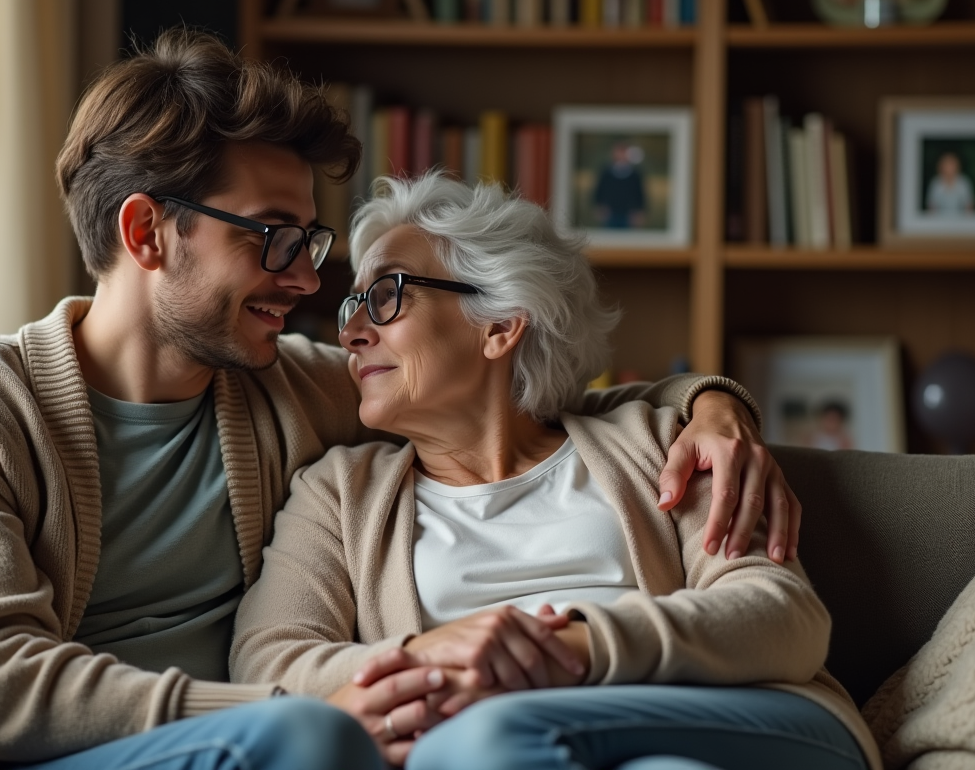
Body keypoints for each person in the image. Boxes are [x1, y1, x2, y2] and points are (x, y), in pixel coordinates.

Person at [0, 29, 800, 770]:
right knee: (322, 747)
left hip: (280, 741)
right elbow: (1, 689)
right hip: (43, 755)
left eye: (311, 244)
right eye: (272, 238)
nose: (308, 286)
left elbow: (521, 393)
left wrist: (712, 406)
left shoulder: (288, 386)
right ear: (147, 233)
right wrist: (297, 708)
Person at [231, 171, 879, 770]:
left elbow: (783, 616)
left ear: (501, 325)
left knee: (486, 738)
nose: (352, 333)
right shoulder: (339, 494)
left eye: (386, 295)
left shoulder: (659, 445)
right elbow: (270, 664)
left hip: (744, 722)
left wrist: (575, 649)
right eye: (352, 308)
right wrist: (440, 658)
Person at [593, 141, 646, 228]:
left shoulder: (635, 174)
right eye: (619, 151)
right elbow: (599, 190)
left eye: (623, 152)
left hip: (629, 214)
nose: (621, 155)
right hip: (609, 212)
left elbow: (639, 193)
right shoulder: (606, 172)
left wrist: (639, 211)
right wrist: (599, 206)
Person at [925, 151, 975, 215]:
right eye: (946, 164)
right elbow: (931, 206)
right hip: (939, 220)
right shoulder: (935, 183)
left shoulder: (964, 182)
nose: (949, 167)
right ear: (941, 166)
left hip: (960, 220)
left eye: (951, 164)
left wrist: (967, 222)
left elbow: (969, 205)